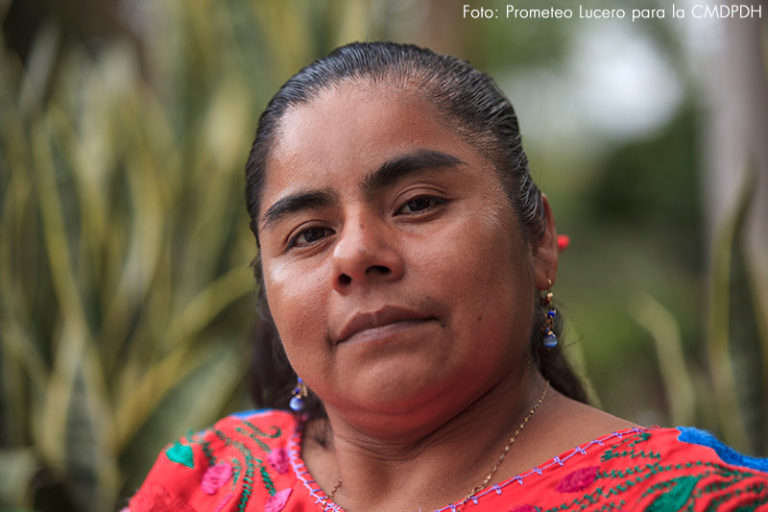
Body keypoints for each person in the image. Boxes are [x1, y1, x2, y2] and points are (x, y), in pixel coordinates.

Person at [125, 42, 768, 512]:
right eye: (309, 234)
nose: (356, 254)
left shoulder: (694, 497)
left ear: (538, 240)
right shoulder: (205, 481)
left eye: (418, 204)